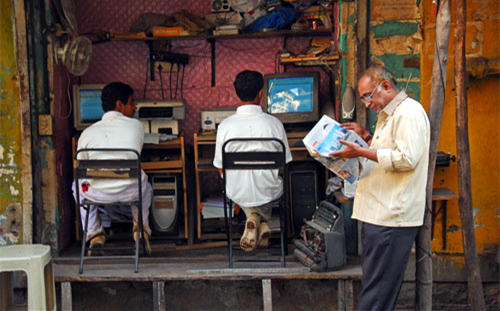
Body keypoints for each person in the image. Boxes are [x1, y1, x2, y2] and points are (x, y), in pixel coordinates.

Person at [330, 65, 430, 310]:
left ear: (385, 86)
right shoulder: (390, 115)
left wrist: (360, 151)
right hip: (378, 213)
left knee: (378, 293)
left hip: (392, 216)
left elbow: (405, 158)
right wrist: (366, 136)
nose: (366, 104)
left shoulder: (409, 112)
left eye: (367, 96)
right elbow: (387, 149)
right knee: (376, 287)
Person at [213, 70, 293, 251]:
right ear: (261, 94)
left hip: (237, 192)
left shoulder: (225, 126)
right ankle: (261, 221)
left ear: (237, 93)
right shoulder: (275, 124)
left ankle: (254, 219)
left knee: (240, 187)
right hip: (268, 191)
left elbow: (220, 168)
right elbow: (283, 166)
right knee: (270, 185)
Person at [73, 81, 153, 254]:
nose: (135, 107)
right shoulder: (137, 126)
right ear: (119, 104)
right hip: (130, 190)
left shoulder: (87, 133)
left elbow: (81, 165)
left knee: (77, 186)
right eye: (132, 102)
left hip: (94, 192)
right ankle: (140, 230)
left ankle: (95, 235)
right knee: (145, 185)